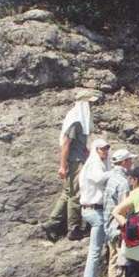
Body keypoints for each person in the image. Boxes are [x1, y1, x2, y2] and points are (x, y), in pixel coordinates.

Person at [42, 90, 98, 241]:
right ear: (84, 103)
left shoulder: (77, 117)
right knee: (75, 195)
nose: (92, 106)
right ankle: (73, 229)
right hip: (75, 162)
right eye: (90, 103)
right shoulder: (77, 120)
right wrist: (62, 165)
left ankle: (52, 223)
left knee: (67, 193)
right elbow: (66, 144)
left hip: (76, 159)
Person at [103, 148, 138, 277]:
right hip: (119, 228)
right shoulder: (123, 183)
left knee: (112, 261)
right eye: (130, 160)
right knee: (121, 264)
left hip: (109, 226)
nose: (131, 163)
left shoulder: (110, 178)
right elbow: (124, 209)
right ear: (124, 162)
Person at [79, 139, 111, 277]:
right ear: (95, 150)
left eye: (106, 148)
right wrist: (115, 171)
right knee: (95, 251)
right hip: (94, 210)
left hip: (95, 210)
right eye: (102, 149)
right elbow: (98, 179)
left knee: (97, 250)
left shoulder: (100, 164)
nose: (105, 151)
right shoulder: (93, 164)